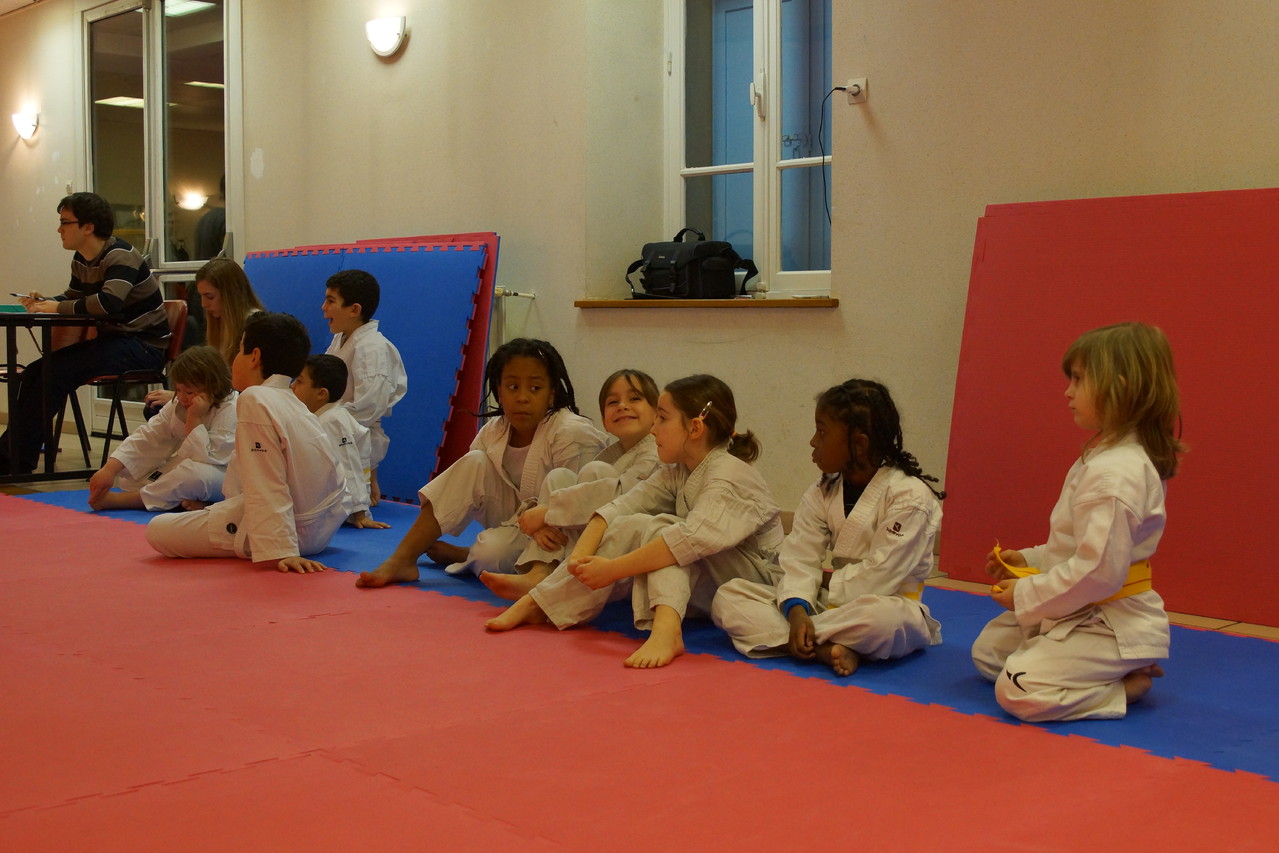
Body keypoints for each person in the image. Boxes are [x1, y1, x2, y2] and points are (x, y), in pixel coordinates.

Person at [486, 374, 784, 669]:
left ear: (694, 428)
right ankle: (540, 602)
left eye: (662, 419)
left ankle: (666, 631)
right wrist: (578, 561)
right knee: (632, 523)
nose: (653, 429)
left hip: (753, 586)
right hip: (709, 579)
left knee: (663, 529)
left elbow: (688, 541)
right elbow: (621, 506)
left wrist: (611, 570)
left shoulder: (728, 475)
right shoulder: (678, 470)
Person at [970, 322, 1184, 721]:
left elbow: (1099, 572)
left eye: (1079, 380)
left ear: (1119, 387)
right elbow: (1078, 546)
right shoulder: (1103, 455)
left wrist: (1025, 593)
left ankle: (1124, 687)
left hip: (1110, 618)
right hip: (1081, 602)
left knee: (1017, 688)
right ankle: (1098, 667)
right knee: (988, 655)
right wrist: (1029, 559)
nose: (1068, 392)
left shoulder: (1115, 474)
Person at [711, 379, 946, 677]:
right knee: (728, 597)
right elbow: (799, 558)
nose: (813, 441)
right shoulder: (821, 491)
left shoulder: (910, 498)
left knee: (882, 621)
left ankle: (798, 639)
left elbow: (882, 576)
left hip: (885, 604)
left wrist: (823, 583)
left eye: (821, 432)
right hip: (827, 605)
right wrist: (797, 611)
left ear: (859, 443)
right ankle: (824, 646)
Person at [356, 338, 607, 588]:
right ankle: (402, 559)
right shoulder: (493, 431)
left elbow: (587, 504)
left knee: (490, 555)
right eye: (512, 387)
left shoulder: (572, 433)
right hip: (522, 526)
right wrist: (529, 524)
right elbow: (463, 490)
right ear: (499, 392)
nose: (522, 397)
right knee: (474, 462)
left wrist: (542, 519)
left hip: (565, 535)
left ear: (551, 394)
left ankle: (467, 555)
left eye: (535, 388)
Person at [144, 312, 347, 573]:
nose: (234, 359)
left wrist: (281, 549)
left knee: (157, 530)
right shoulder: (290, 400)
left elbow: (268, 480)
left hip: (292, 533)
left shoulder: (255, 398)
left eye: (240, 350)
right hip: (319, 530)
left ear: (255, 356)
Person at [0, 192, 169, 475]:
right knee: (36, 371)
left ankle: (14, 460)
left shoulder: (121, 255)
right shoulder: (81, 259)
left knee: (54, 373)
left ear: (88, 226)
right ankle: (13, 457)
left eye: (64, 222)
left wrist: (56, 306)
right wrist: (44, 302)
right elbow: (74, 298)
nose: (59, 229)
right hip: (114, 341)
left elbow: (108, 303)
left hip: (143, 346)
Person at [481, 368, 662, 600]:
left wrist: (547, 513)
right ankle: (540, 570)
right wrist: (540, 520)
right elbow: (579, 496)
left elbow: (622, 495)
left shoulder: (656, 452)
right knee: (560, 477)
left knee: (596, 472)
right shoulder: (614, 454)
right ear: (605, 422)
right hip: (593, 539)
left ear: (657, 414)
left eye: (634, 398)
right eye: (613, 402)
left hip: (628, 549)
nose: (622, 406)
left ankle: (557, 577)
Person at [87, 346, 236, 512]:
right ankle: (192, 500)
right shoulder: (179, 404)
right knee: (130, 480)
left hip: (227, 476)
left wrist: (194, 418)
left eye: (189, 392)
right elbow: (150, 436)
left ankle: (124, 500)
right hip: (193, 466)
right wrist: (109, 469)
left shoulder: (231, 410)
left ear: (213, 387)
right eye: (178, 390)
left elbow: (206, 460)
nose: (182, 397)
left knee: (193, 476)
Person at [322, 269, 407, 504]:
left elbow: (368, 410)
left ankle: (362, 487)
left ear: (354, 310)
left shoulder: (372, 348)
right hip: (341, 433)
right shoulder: (341, 338)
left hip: (351, 439)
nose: (323, 307)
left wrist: (318, 421)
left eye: (330, 301)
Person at [144, 257, 264, 413]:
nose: (203, 304)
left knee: (161, 409)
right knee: (154, 408)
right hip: (221, 399)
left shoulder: (255, 326)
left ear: (230, 294)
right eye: (201, 296)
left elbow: (241, 388)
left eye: (210, 297)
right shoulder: (221, 323)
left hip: (237, 403)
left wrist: (182, 397)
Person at [292, 354, 389, 530]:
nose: (292, 386)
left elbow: (350, 466)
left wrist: (359, 512)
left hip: (344, 504)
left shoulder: (333, 420)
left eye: (299, 381)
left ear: (321, 393)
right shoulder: (323, 416)